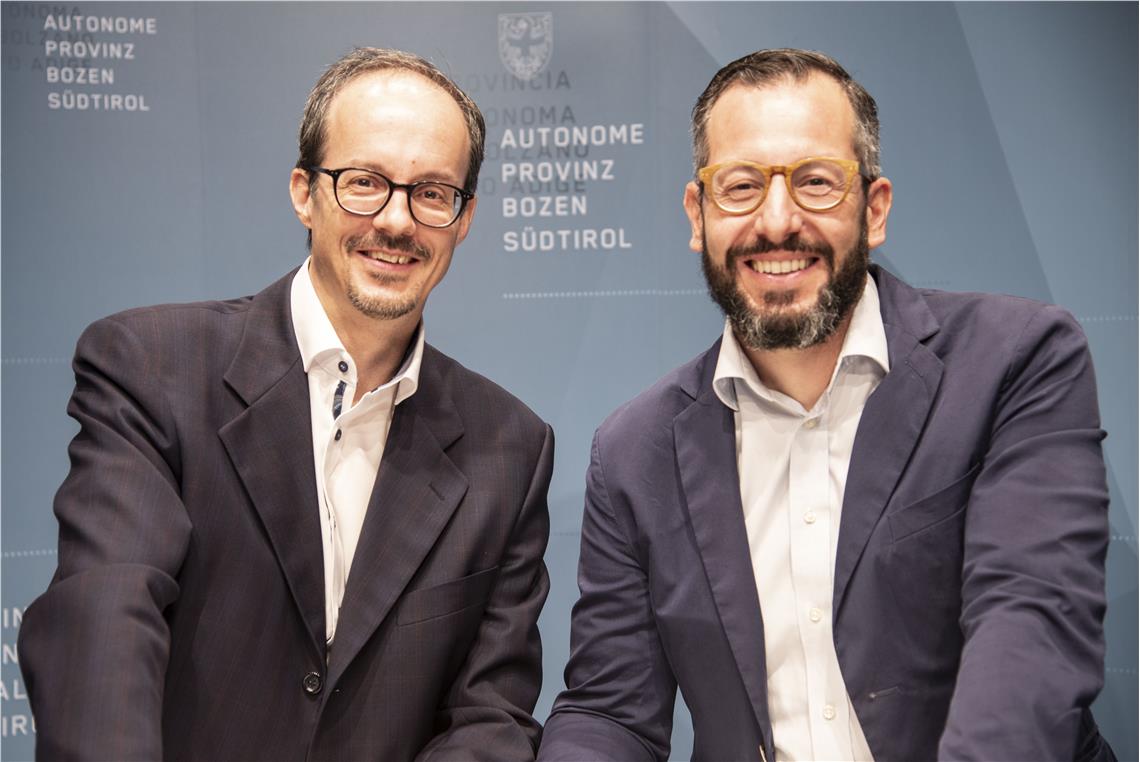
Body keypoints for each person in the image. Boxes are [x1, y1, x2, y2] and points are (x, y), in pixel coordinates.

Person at [539, 49, 1114, 762]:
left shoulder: (1015, 361)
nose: (777, 221)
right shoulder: (633, 450)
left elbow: (1029, 628)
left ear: (875, 209)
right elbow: (610, 711)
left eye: (816, 182)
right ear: (698, 214)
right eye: (741, 186)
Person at [19, 47, 553, 761]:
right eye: (364, 182)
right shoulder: (152, 368)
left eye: (432, 192)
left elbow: (489, 717)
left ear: (465, 218)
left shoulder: (510, 447)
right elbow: (102, 629)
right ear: (305, 192)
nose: (397, 220)